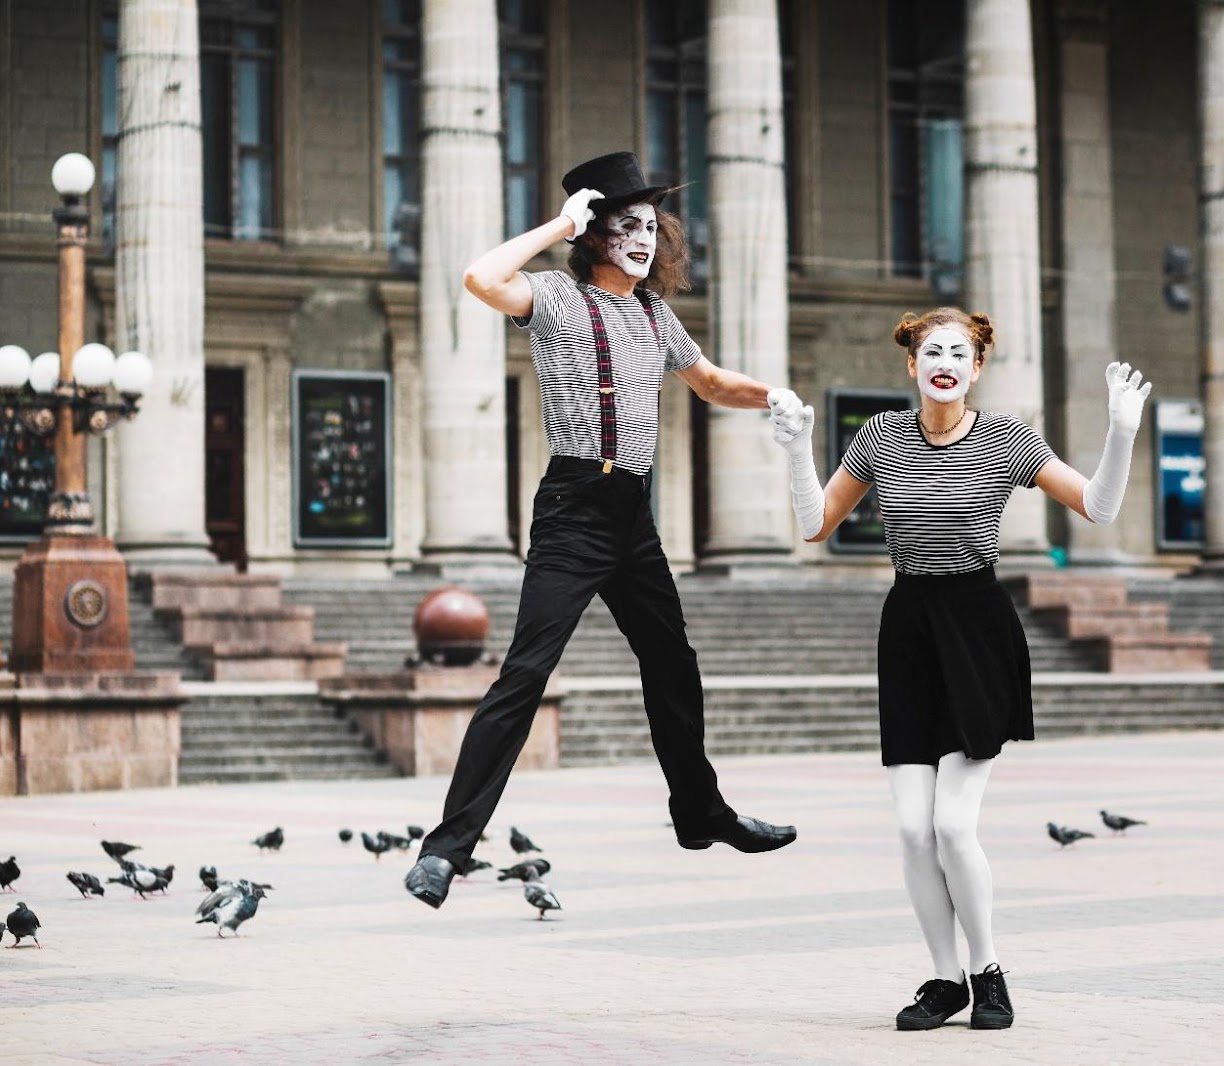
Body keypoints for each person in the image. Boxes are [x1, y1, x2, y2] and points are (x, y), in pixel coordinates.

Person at [405, 151, 800, 910]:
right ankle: (446, 852)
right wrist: (557, 225)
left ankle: (701, 813)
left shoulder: (655, 314)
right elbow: (481, 278)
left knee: (673, 662)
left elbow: (712, 382)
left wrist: (774, 395)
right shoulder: (552, 295)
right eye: (625, 225)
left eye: (651, 226)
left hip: (634, 518)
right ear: (593, 234)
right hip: (574, 509)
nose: (643, 238)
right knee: (524, 674)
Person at [767, 308, 1151, 1031]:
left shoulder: (1008, 439)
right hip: (908, 631)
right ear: (911, 365)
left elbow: (1098, 508)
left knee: (952, 826)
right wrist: (796, 449)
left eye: (959, 352)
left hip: (978, 630)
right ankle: (944, 982)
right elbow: (816, 523)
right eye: (930, 350)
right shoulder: (880, 437)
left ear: (976, 369)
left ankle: (989, 970)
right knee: (913, 831)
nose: (944, 361)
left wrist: (1122, 432)